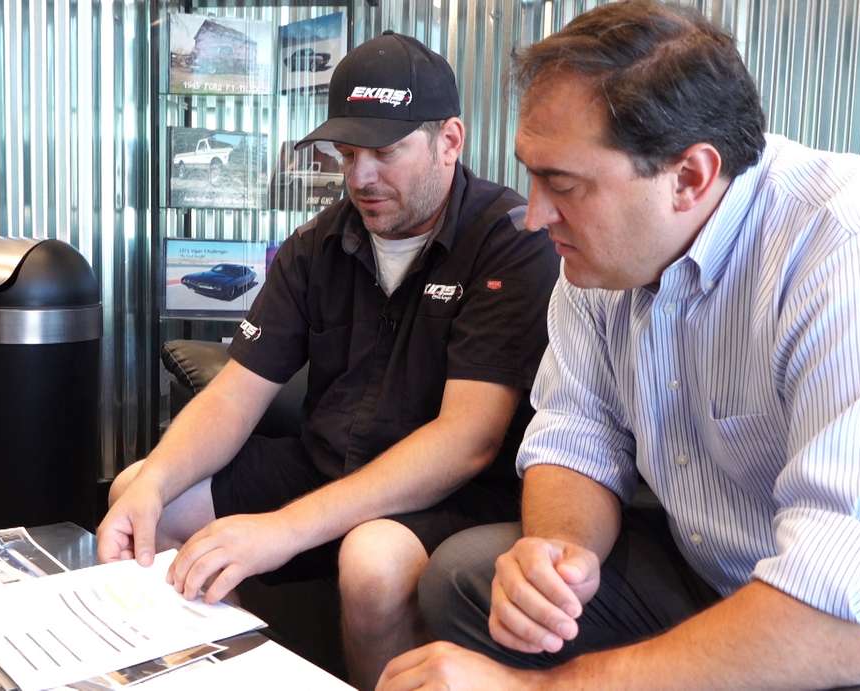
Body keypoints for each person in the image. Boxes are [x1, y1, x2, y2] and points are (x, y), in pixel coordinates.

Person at [380, 2, 860, 689]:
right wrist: (558, 552)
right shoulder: (598, 262)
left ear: (689, 177)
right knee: (467, 581)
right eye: (532, 175)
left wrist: (539, 686)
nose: (535, 217)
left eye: (561, 184)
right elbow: (575, 435)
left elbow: (856, 616)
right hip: (723, 566)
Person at [97, 31, 558, 688]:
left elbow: (467, 441)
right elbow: (234, 394)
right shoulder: (318, 242)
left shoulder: (509, 241)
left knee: (372, 560)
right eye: (347, 154)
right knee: (144, 492)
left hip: (448, 491)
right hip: (328, 461)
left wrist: (281, 530)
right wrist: (151, 484)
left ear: (449, 141)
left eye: (384, 152)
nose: (360, 176)